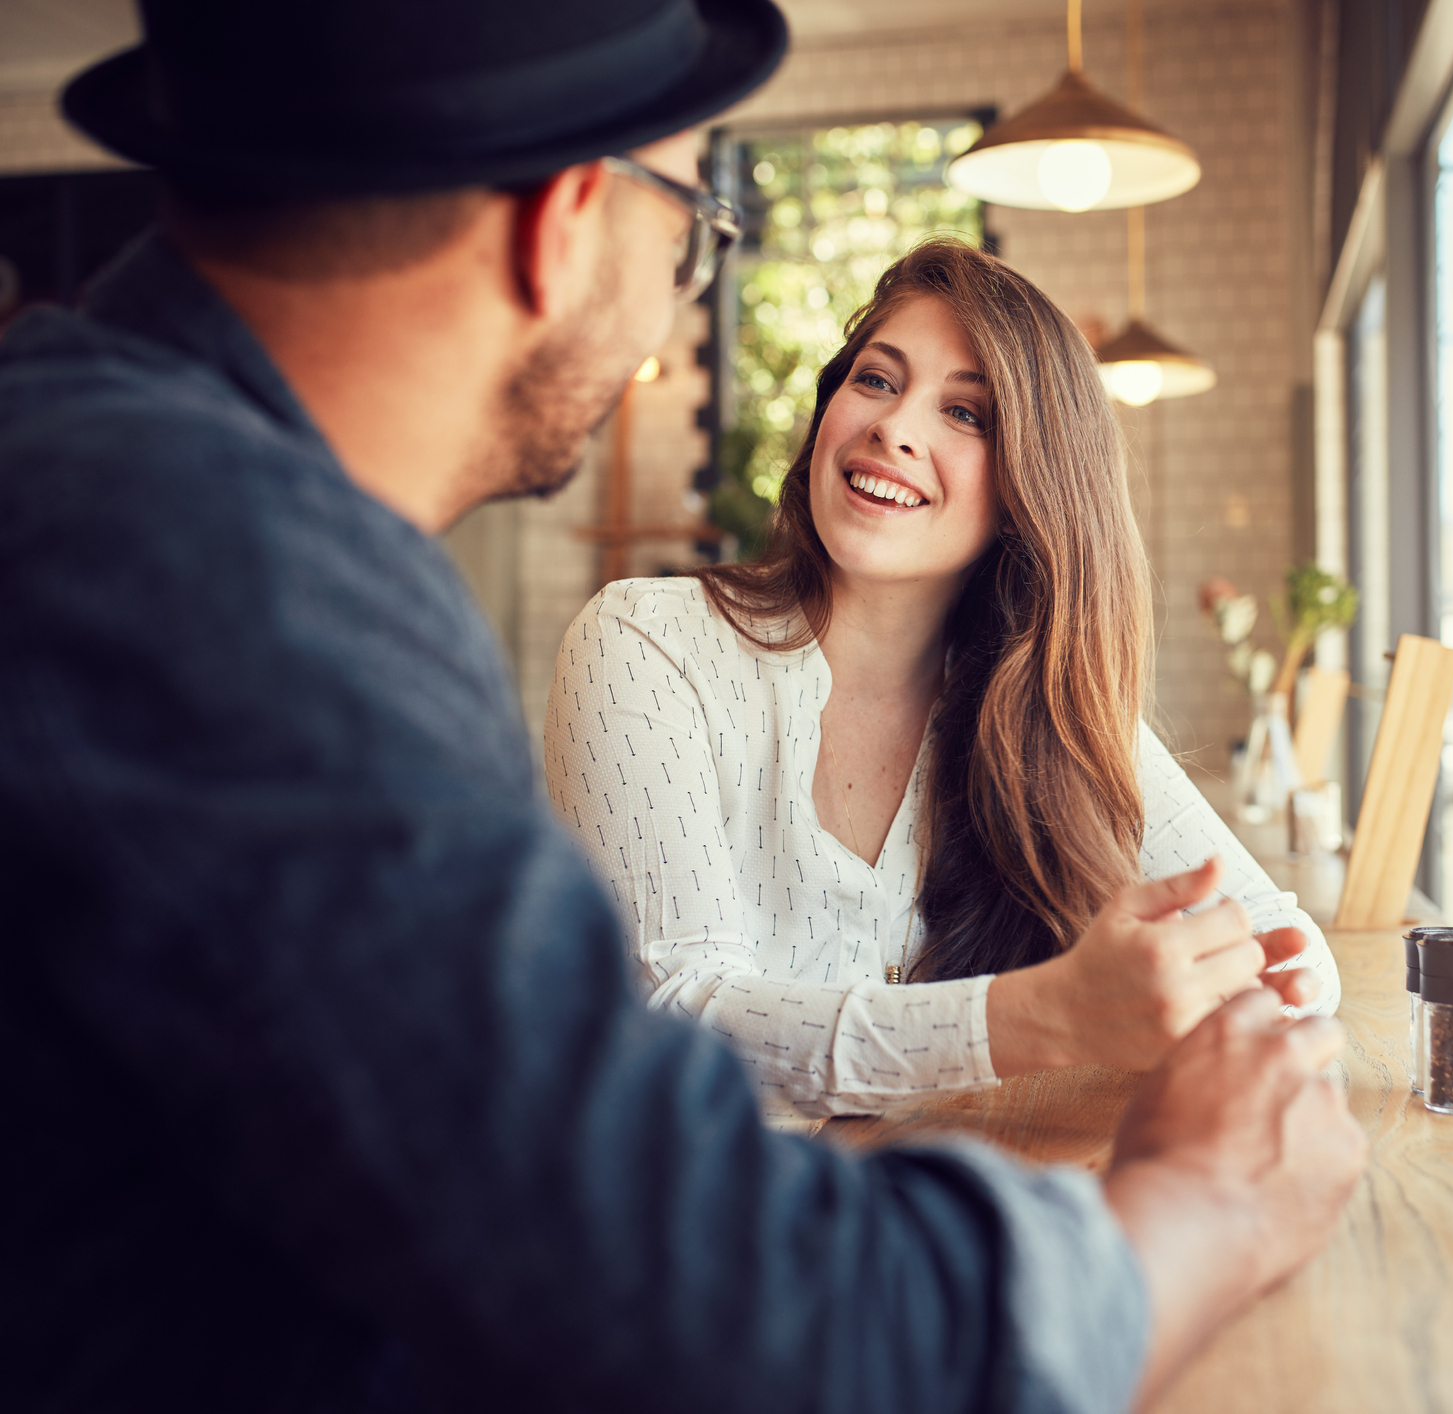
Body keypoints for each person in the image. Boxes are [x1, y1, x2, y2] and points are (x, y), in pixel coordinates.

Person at [0, 1, 1367, 1410]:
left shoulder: (152, 495)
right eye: (692, 231)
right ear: (566, 219)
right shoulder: (220, 591)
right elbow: (725, 1300)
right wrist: (1204, 1202)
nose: (672, 296)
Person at [546, 239, 1343, 1123]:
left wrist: (1257, 985)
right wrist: (1047, 1019)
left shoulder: (1042, 701)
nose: (895, 426)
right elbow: (679, 1014)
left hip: (923, 1225)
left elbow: (1277, 937)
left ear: (1032, 489)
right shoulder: (643, 644)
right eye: (877, 381)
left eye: (966, 414)